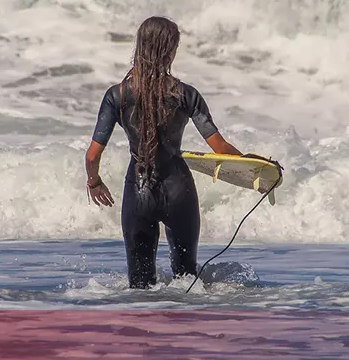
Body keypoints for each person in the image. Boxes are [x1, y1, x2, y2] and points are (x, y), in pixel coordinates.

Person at [83, 16, 245, 289]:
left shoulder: (117, 95)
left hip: (139, 192)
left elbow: (91, 155)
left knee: (139, 287)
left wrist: (94, 181)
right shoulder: (185, 94)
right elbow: (219, 148)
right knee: (187, 282)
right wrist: (252, 166)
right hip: (180, 192)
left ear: (139, 47)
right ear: (170, 51)